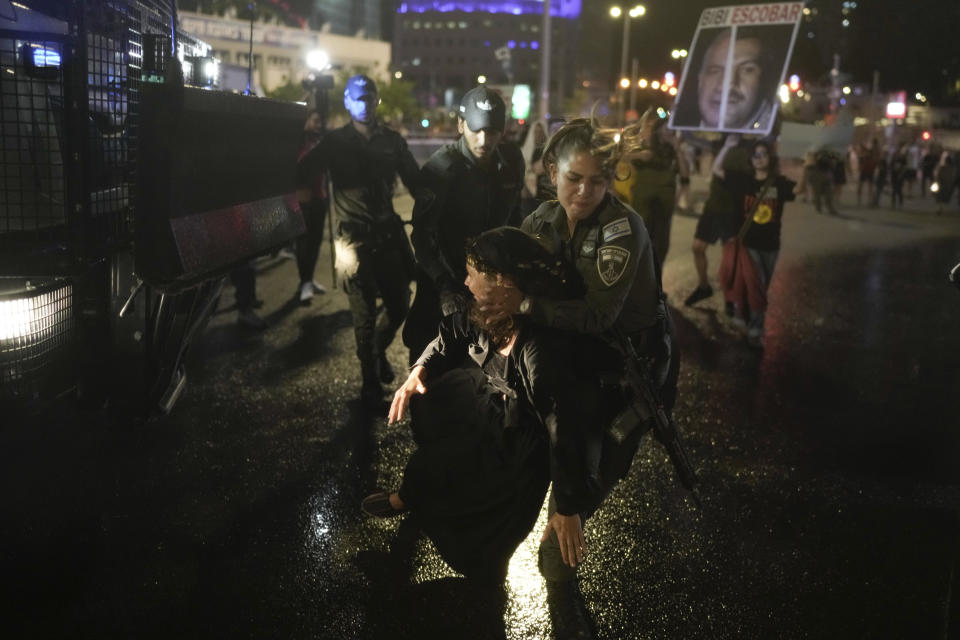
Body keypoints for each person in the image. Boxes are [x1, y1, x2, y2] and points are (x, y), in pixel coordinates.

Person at [476, 118, 677, 583]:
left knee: (582, 484)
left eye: (597, 180)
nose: (585, 191)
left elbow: (598, 317)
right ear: (551, 172)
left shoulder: (622, 230)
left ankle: (566, 527)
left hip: (627, 364)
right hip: (569, 355)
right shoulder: (540, 220)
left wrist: (525, 304)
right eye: (574, 178)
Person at [363, 227, 595, 583]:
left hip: (518, 440)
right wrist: (419, 371)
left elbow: (561, 425)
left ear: (502, 281)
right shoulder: (493, 308)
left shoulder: (538, 350)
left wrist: (567, 506)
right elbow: (453, 331)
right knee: (435, 462)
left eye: (473, 275)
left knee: (487, 529)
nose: (467, 284)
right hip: (486, 406)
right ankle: (405, 498)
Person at [298, 74, 420, 407]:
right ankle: (369, 383)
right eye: (357, 99)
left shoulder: (392, 142)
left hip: (387, 235)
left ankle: (377, 352)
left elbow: (417, 183)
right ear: (348, 103)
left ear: (376, 101)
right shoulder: (334, 142)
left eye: (369, 98)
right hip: (351, 241)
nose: (364, 104)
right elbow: (301, 169)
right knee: (362, 315)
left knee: (399, 305)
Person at [402, 86, 525, 364]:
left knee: (487, 369)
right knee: (429, 361)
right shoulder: (441, 169)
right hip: (444, 279)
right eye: (476, 130)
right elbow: (422, 237)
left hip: (489, 281)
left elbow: (515, 219)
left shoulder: (512, 162)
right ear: (461, 124)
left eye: (492, 131)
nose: (484, 140)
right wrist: (444, 284)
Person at [712, 134, 802, 348]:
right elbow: (717, 170)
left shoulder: (778, 183)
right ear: (750, 159)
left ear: (769, 158)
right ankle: (755, 328)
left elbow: (799, 191)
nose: (759, 158)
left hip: (772, 245)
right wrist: (727, 146)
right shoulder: (744, 181)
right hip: (749, 244)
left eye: (763, 154)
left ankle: (743, 318)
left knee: (760, 287)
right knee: (757, 286)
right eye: (755, 155)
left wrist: (807, 165)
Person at [684, 139, 752, 309]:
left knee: (730, 257)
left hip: (732, 209)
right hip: (713, 206)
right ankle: (704, 287)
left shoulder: (746, 146)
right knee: (697, 247)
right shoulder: (720, 142)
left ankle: (732, 295)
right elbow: (702, 149)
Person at [675, 27, 777, 131]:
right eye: (715, 71)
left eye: (747, 70)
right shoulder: (675, 135)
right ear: (700, 79)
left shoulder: (777, 137)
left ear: (765, 80)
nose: (727, 84)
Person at [623, 114, 690, 271]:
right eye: (665, 128)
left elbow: (685, 174)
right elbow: (622, 157)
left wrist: (678, 149)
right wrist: (640, 154)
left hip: (664, 206)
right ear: (658, 131)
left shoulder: (674, 152)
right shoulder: (645, 147)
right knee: (640, 241)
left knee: (660, 245)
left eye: (671, 129)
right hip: (642, 204)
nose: (668, 132)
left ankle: (656, 284)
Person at [294, 110, 329, 304]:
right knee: (303, 244)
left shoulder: (320, 142)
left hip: (320, 199)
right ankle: (304, 282)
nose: (318, 125)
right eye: (315, 121)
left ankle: (309, 279)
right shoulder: (298, 141)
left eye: (320, 121)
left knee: (315, 242)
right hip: (303, 201)